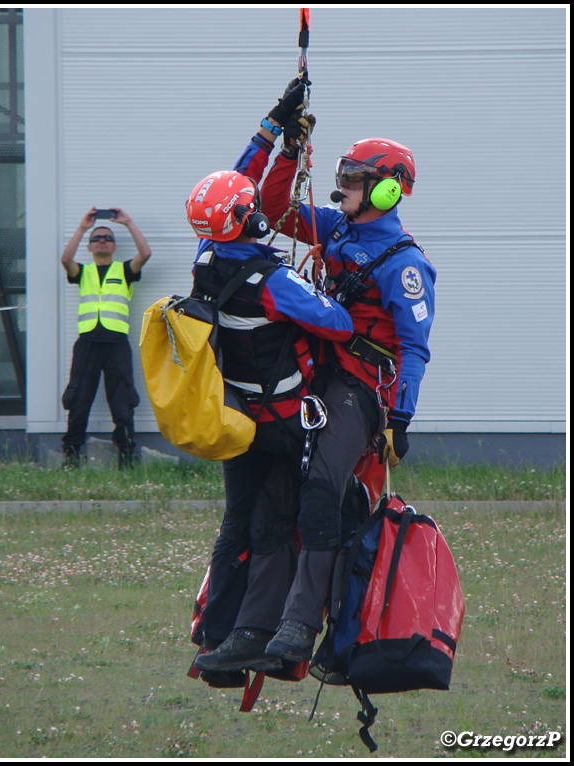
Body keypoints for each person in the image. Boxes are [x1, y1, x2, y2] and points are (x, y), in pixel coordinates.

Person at [194, 76, 436, 671]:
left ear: (386, 191)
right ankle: (254, 630)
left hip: (357, 388)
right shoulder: (335, 227)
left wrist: (401, 416)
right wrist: (291, 149)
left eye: (355, 180)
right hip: (312, 382)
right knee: (275, 502)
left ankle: (302, 627)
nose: (342, 186)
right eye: (342, 176)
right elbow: (273, 208)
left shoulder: (405, 265)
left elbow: (414, 347)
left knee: (323, 491)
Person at [185, 158, 354, 680]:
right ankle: (270, 634)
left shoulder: (205, 262)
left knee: (235, 524)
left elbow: (225, 206)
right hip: (281, 428)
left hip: (235, 422)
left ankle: (217, 638)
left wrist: (271, 136)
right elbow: (339, 324)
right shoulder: (272, 281)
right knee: (278, 527)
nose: (264, 211)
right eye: (256, 208)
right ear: (252, 220)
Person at [60, 207, 151, 468]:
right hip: (87, 344)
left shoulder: (124, 271)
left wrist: (128, 222)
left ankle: (126, 458)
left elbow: (145, 254)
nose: (102, 240)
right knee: (79, 401)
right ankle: (71, 458)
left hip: (116, 345)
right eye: (96, 238)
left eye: (107, 238)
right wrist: (82, 228)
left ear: (113, 247)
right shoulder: (83, 272)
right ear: (89, 247)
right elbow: (65, 259)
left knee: (122, 403)